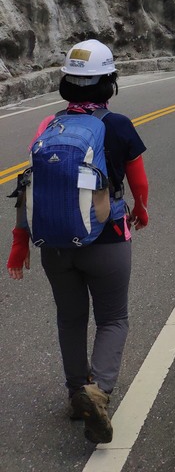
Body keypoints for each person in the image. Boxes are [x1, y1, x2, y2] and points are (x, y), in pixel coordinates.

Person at [6, 38, 149, 446]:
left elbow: (30, 185)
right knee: (113, 318)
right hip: (106, 239)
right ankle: (98, 391)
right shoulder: (117, 125)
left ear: (68, 84)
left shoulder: (49, 125)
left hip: (55, 244)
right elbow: (138, 180)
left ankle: (75, 393)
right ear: (109, 83)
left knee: (70, 319)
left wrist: (20, 241)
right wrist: (141, 208)